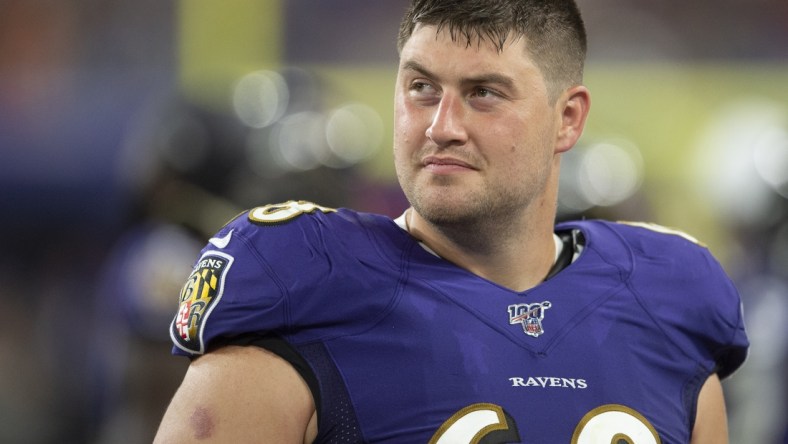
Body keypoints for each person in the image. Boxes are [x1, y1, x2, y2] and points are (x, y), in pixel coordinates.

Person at [154, 0, 749, 442]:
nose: (441, 126)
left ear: (567, 119)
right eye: (420, 87)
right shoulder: (304, 281)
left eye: (484, 93)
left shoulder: (668, 301)